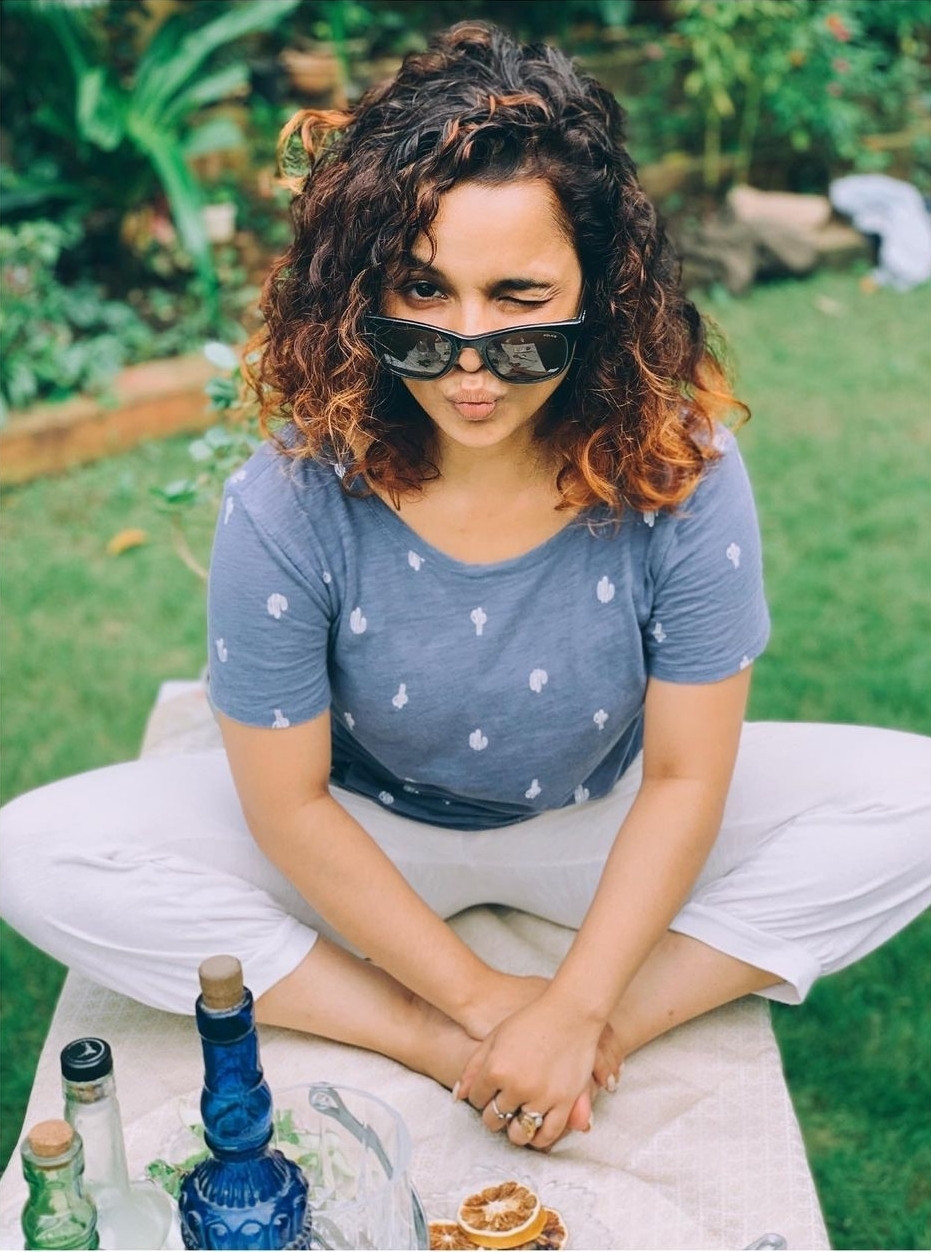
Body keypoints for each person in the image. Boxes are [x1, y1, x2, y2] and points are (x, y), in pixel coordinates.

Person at [1, 21, 929, 1153]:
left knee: (917, 801)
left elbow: (686, 777)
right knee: (31, 851)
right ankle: (443, 1042)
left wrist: (580, 1005)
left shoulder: (681, 471)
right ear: (363, 293)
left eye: (519, 297)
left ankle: (602, 1032)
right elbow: (288, 806)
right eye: (422, 293)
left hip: (596, 820)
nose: (470, 355)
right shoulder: (288, 497)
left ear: (599, 291)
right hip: (364, 831)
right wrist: (480, 1007)